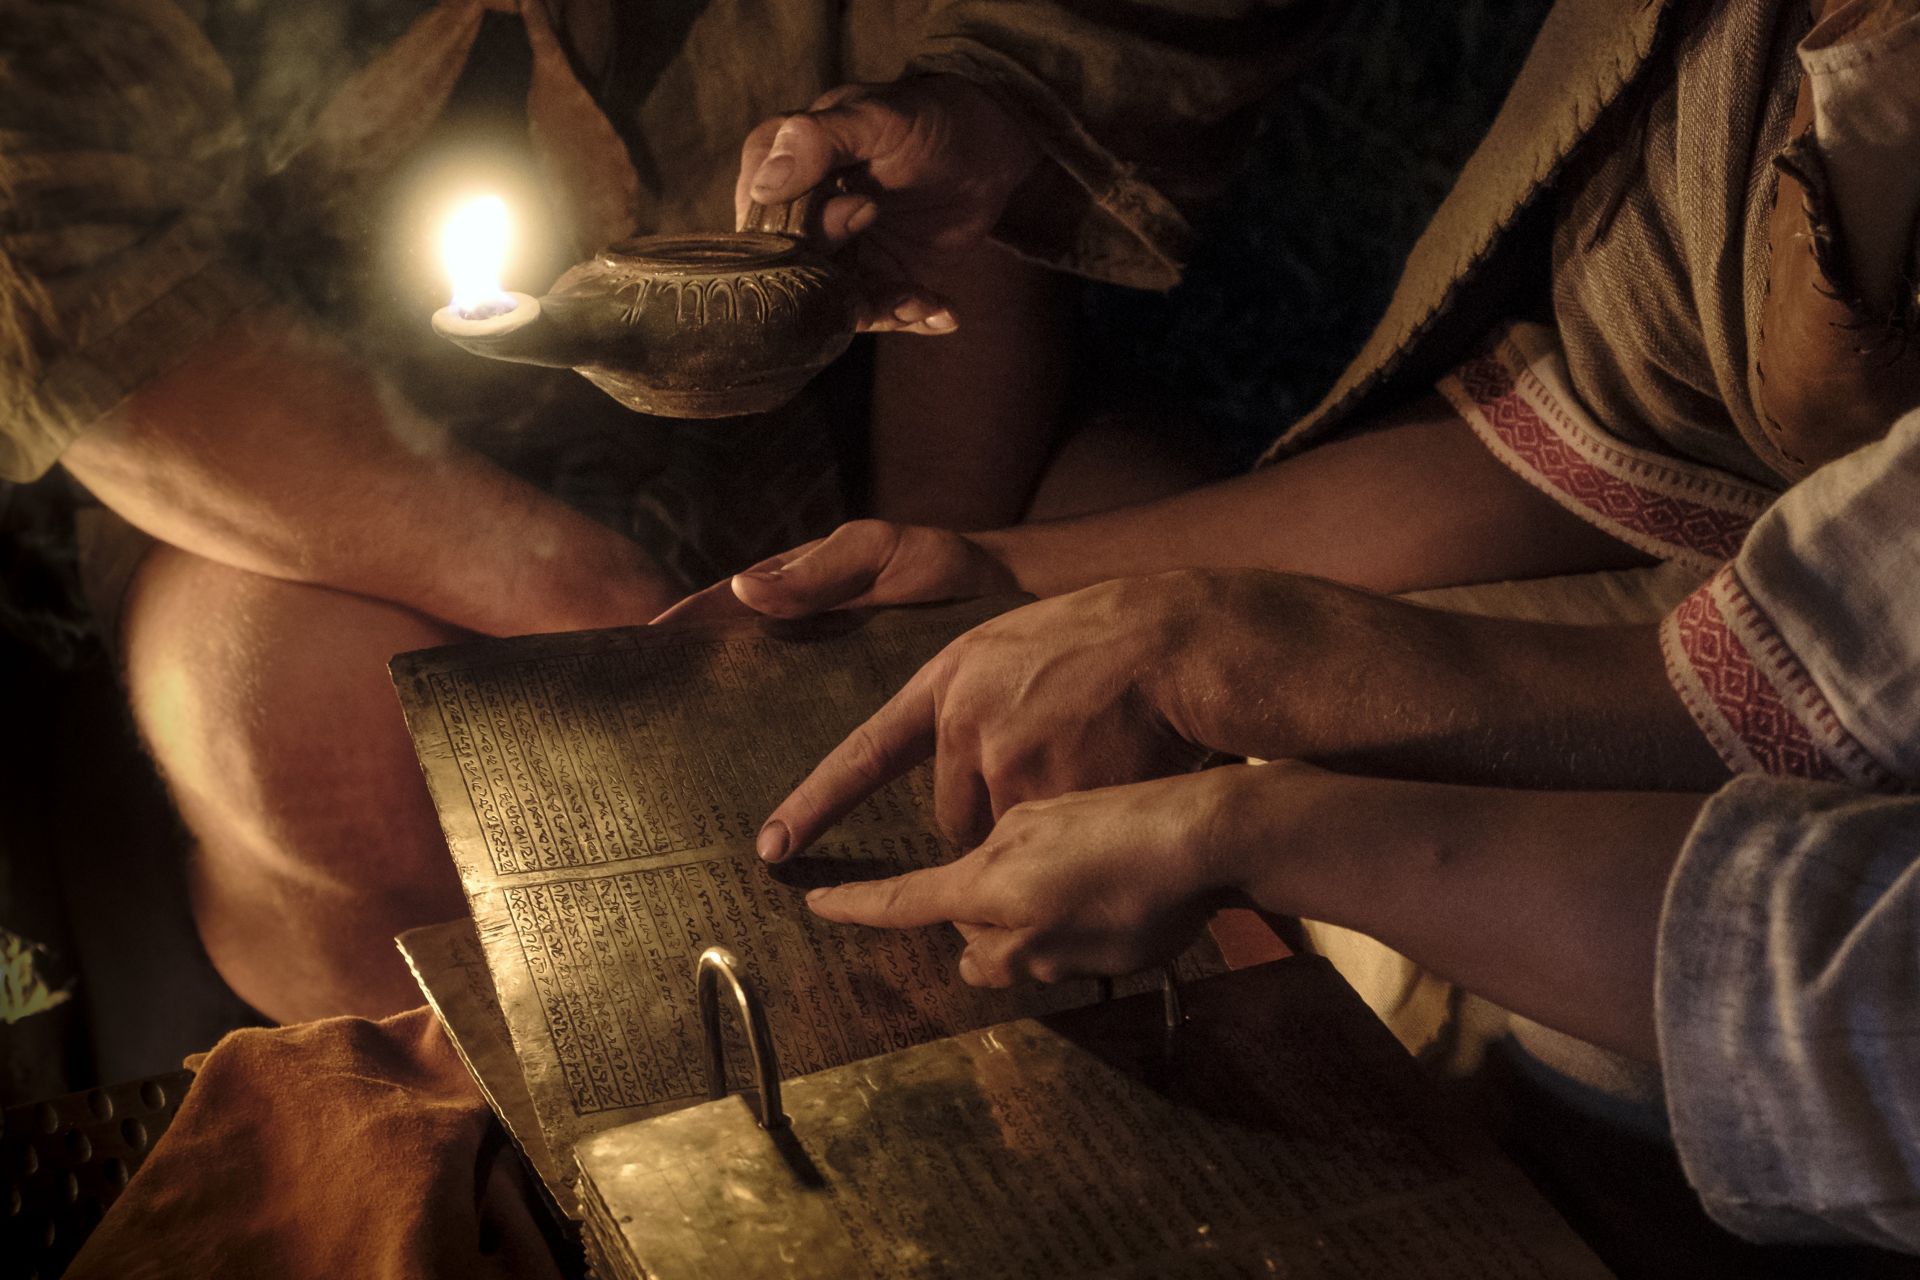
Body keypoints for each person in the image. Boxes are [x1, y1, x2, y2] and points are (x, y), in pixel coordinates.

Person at [2, 0, 1325, 1020]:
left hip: (844, 412)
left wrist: (921, 589)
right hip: (319, 476)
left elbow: (972, 210)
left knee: (1170, 637)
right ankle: (455, 1128)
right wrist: (578, 600)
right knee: (306, 725)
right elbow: (81, 296)